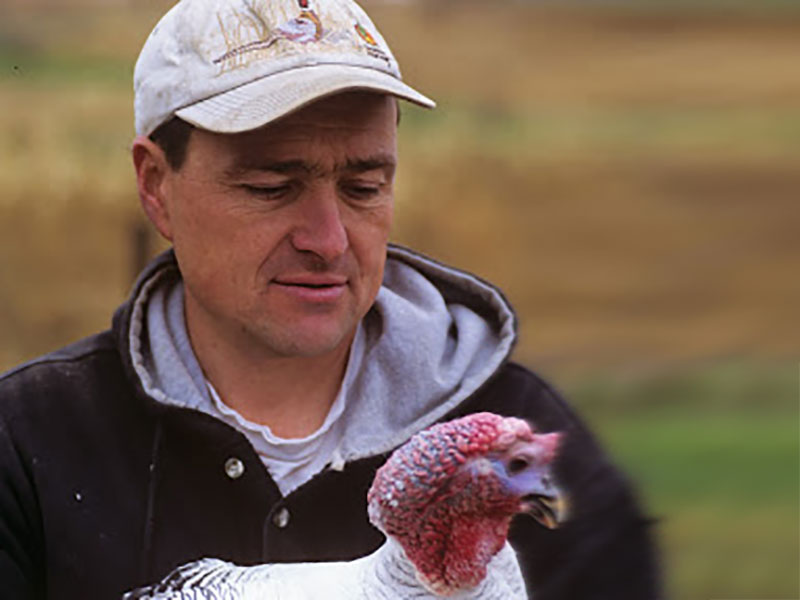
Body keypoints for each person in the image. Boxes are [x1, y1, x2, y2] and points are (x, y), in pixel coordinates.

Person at [0, 0, 660, 598]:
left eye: (364, 187)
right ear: (155, 186)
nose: (329, 239)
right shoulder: (29, 446)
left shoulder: (520, 446)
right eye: (270, 186)